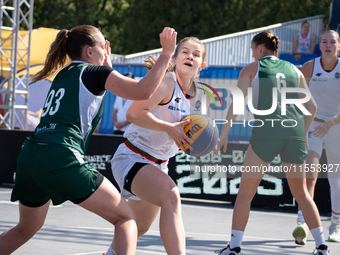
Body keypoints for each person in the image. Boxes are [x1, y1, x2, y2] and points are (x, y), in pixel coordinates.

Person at [0, 25, 177, 255]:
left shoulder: (64, 75)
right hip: (60, 154)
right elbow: (143, 91)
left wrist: (109, 69)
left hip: (31, 154)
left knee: (25, 229)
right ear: (89, 51)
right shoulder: (93, 73)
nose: (106, 50)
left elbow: (99, 91)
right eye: (103, 46)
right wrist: (166, 54)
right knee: (126, 219)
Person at [215, 31, 330, 255]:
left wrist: (224, 134)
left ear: (259, 48)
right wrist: (304, 135)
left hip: (267, 132)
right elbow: (313, 108)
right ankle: (322, 246)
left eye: (252, 49)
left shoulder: (252, 68)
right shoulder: (295, 70)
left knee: (245, 193)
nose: (251, 54)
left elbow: (237, 105)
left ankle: (234, 248)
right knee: (303, 195)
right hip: (294, 132)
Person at [104, 37, 208, 255]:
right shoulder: (167, 82)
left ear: (202, 64)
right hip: (132, 157)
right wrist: (169, 128)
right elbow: (134, 114)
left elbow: (187, 133)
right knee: (171, 196)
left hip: (158, 164)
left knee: (137, 228)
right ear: (176, 58)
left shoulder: (199, 97)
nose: (190, 56)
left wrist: (201, 142)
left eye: (196, 54)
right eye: (185, 52)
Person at [292, 29, 340, 245]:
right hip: (314, 124)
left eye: (332, 42)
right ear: (319, 46)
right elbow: (301, 101)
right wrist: (302, 128)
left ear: (338, 46)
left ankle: (335, 226)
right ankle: (302, 223)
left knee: (335, 180)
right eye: (324, 42)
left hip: (337, 125)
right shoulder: (309, 67)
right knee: (310, 174)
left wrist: (331, 123)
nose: (328, 45)